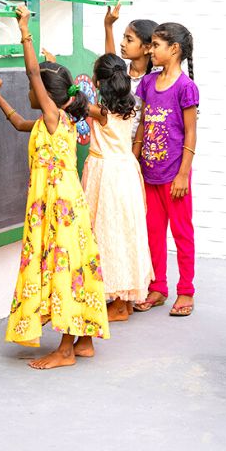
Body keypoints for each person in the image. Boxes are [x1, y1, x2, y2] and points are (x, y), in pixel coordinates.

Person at [0, 5, 109, 369]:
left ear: (48, 97)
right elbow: (19, 123)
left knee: (63, 268)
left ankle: (66, 350)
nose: (30, 90)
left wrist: (24, 29)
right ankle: (84, 339)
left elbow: (33, 73)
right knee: (73, 266)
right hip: (60, 205)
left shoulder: (56, 119)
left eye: (35, 88)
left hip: (59, 206)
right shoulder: (52, 122)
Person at [132, 22, 199, 317]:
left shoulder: (186, 88)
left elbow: (190, 133)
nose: (151, 50)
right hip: (149, 173)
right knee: (153, 233)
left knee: (182, 233)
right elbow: (144, 124)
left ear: (174, 49)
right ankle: (158, 286)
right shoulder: (147, 84)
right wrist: (135, 158)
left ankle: (186, 290)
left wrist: (183, 173)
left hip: (175, 176)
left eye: (156, 45)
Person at [81, 53, 153, 321]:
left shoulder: (99, 112)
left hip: (107, 174)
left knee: (108, 231)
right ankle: (125, 299)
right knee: (125, 232)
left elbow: (67, 99)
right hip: (126, 171)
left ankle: (120, 304)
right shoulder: (129, 106)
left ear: (100, 83)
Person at [105, 3, 158, 140]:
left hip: (141, 144)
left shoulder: (154, 79)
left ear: (147, 48)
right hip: (116, 141)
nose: (122, 43)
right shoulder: (122, 70)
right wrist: (108, 26)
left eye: (129, 40)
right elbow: (110, 62)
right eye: (124, 37)